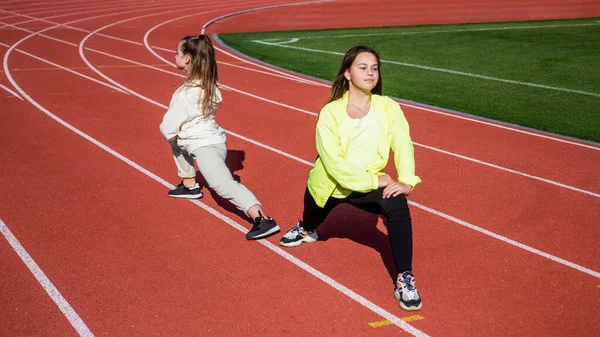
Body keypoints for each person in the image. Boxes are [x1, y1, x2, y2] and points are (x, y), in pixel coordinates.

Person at [278, 45, 422, 311]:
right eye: (363, 67)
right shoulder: (330, 112)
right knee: (312, 217)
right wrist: (372, 182)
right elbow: (332, 162)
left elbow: (404, 144)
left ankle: (405, 277)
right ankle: (305, 227)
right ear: (347, 73)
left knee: (397, 203)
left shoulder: (388, 107)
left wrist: (406, 181)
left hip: (370, 183)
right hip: (331, 184)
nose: (370, 73)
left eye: (374, 68)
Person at [159, 34, 279, 240]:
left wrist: (172, 134)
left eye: (177, 52)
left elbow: (167, 127)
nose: (174, 55)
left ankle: (262, 218)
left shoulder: (187, 94)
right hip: (212, 140)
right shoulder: (208, 84)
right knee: (178, 142)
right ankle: (190, 185)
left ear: (187, 59)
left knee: (222, 184)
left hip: (204, 148)